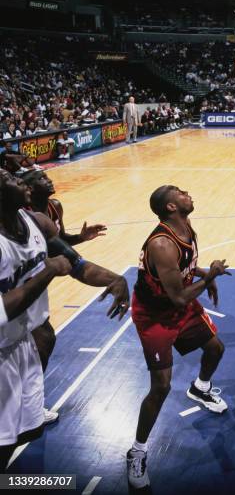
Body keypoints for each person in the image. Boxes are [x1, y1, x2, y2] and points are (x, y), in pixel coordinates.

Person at [0, 169, 129, 470]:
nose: (22, 179)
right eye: (12, 179)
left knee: (25, 433)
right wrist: (47, 270)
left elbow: (76, 264)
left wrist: (116, 279)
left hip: (21, 344)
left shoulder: (37, 221)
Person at [127, 185, 231, 489]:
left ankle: (200, 388)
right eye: (180, 192)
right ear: (171, 207)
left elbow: (183, 269)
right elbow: (179, 298)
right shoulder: (162, 244)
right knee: (160, 387)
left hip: (179, 303)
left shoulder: (184, 226)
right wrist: (210, 275)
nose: (187, 192)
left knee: (215, 348)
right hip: (154, 315)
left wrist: (199, 274)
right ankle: (137, 451)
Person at [22, 169, 107, 422]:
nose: (47, 179)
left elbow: (58, 241)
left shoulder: (54, 207)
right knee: (43, 337)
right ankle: (28, 405)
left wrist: (80, 238)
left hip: (37, 283)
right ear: (27, 190)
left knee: (40, 339)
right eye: (39, 178)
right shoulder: (19, 215)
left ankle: (27, 401)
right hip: (21, 283)